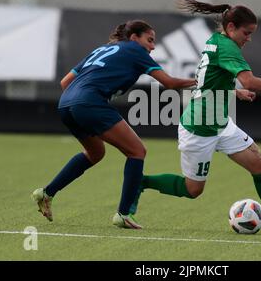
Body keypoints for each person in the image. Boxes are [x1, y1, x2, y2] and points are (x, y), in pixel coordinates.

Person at [131, 0, 261, 234]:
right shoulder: (228, 47)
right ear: (231, 28)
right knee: (193, 190)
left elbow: (210, 79)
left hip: (221, 124)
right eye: (246, 33)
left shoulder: (216, 40)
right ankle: (141, 182)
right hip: (199, 128)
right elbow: (249, 80)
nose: (249, 38)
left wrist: (234, 91)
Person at [32, 20, 196, 229]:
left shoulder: (103, 49)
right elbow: (169, 83)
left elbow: (65, 82)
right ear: (134, 38)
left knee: (95, 153)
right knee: (137, 151)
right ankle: (124, 213)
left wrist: (82, 102)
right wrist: (198, 80)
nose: (153, 46)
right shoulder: (136, 50)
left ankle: (46, 193)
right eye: (150, 40)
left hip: (66, 104)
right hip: (89, 103)